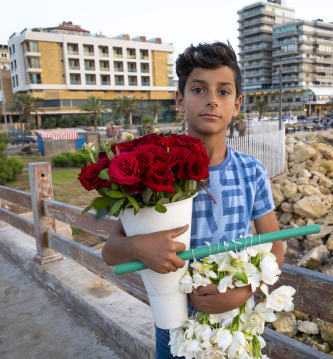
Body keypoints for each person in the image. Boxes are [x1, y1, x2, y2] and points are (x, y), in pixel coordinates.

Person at [101, 42, 284, 359]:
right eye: (199, 89)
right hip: (174, 329)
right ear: (179, 99)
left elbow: (276, 247)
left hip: (235, 330)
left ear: (237, 104)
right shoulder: (156, 173)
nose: (212, 100)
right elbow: (110, 251)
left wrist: (244, 290)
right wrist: (138, 247)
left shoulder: (253, 172)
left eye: (224, 92)